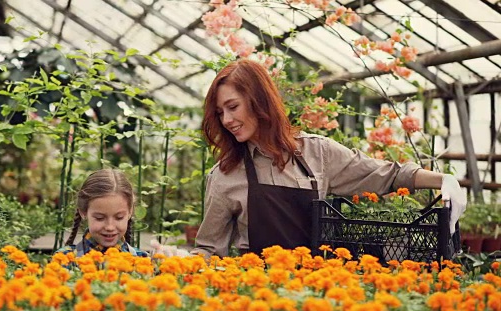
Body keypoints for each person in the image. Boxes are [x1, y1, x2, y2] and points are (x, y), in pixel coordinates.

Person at [191, 59, 467, 258]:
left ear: (259, 101)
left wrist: (443, 179)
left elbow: (386, 175)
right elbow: (207, 249)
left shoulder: (317, 153)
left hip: (321, 287)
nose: (226, 120)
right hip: (259, 294)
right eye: (219, 113)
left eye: (232, 107)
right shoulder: (226, 175)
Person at [55, 169, 148, 259]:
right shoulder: (64, 260)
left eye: (119, 218)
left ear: (130, 212)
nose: (110, 227)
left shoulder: (143, 261)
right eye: (100, 218)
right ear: (83, 212)